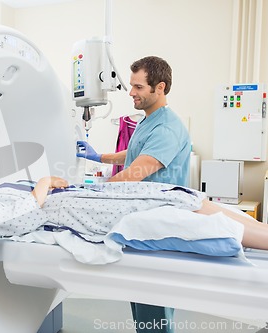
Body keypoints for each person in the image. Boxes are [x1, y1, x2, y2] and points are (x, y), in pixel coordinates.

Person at [0, 165, 268, 258]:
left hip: (85, 199)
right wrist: (44, 183)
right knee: (177, 207)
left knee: (181, 196)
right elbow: (25, 218)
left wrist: (51, 185)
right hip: (83, 215)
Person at [77, 56, 189, 332]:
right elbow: (135, 153)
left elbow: (137, 171)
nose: (131, 93)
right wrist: (99, 156)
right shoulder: (150, 120)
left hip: (158, 225)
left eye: (138, 87)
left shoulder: (166, 127)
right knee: (140, 299)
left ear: (159, 87)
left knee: (153, 304)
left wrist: (94, 192)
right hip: (142, 221)